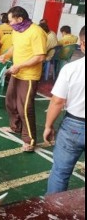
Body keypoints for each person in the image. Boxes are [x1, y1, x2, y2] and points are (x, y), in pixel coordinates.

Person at [44, 26, 85, 194]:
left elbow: (58, 101)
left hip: (73, 127)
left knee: (60, 174)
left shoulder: (71, 69)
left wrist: (48, 126)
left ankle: (52, 213)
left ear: (82, 44)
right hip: (74, 126)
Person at [0, 6, 47, 152]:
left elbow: (40, 56)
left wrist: (20, 65)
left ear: (20, 19)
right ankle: (15, 127)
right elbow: (15, 46)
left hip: (29, 76)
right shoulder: (17, 30)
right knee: (10, 102)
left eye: (10, 20)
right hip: (16, 73)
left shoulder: (36, 32)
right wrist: (6, 55)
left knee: (25, 108)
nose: (9, 23)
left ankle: (30, 140)